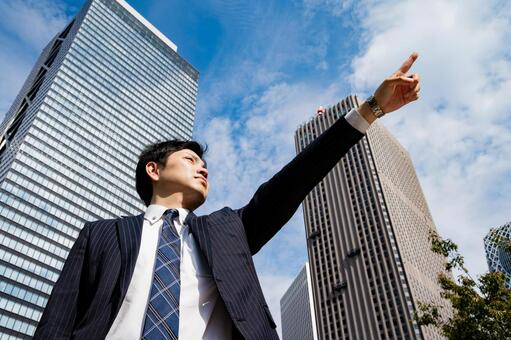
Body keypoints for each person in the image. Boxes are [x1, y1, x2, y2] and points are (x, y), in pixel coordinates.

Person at [34, 52, 421, 339]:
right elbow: (56, 322)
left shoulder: (228, 230)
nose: (203, 167)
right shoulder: (99, 235)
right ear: (154, 171)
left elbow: (293, 182)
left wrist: (370, 110)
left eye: (204, 164)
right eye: (190, 159)